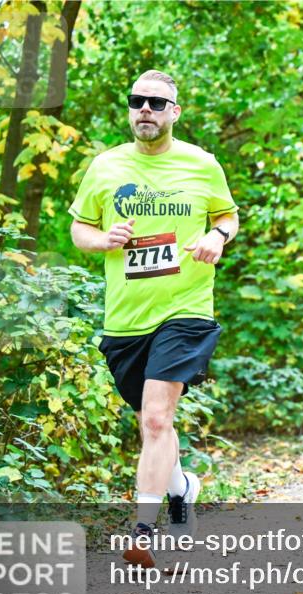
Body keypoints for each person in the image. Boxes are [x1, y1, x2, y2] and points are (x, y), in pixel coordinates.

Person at [68, 70, 239, 568]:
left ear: (174, 112)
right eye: (137, 100)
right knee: (151, 421)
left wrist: (217, 237)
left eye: (157, 103)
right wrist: (103, 240)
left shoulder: (202, 164)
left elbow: (226, 216)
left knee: (159, 417)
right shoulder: (106, 166)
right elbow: (80, 228)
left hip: (186, 309)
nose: (145, 108)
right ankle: (182, 487)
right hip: (126, 319)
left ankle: (142, 530)